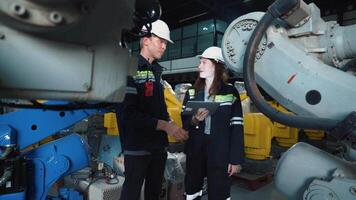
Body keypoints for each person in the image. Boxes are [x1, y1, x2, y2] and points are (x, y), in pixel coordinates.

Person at [120, 19, 189, 200]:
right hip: (137, 147)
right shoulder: (130, 68)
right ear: (146, 40)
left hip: (158, 147)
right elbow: (128, 114)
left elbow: (159, 107)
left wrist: (172, 123)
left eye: (166, 42)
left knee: (154, 193)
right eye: (161, 41)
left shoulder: (157, 71)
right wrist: (165, 126)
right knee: (131, 194)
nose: (164, 46)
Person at [182, 46, 244, 200]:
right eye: (200, 63)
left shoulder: (230, 92)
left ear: (216, 65)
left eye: (204, 63)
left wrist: (235, 160)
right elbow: (184, 119)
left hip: (220, 151)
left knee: (219, 191)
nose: (199, 66)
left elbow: (237, 127)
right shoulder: (192, 92)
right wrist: (195, 119)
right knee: (192, 190)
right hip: (196, 149)